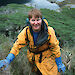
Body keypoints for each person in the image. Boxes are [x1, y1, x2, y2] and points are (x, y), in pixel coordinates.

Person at [0, 8, 66, 75]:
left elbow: (55, 47)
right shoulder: (26, 32)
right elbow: (17, 46)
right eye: (33, 20)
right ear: (29, 21)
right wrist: (8, 60)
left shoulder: (49, 31)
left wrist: (59, 63)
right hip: (33, 60)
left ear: (41, 20)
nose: (36, 23)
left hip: (48, 59)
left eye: (38, 20)